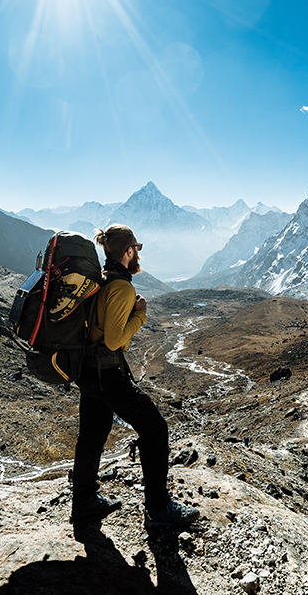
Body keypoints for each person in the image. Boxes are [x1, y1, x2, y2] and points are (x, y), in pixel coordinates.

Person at [70, 223, 199, 531]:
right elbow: (115, 341)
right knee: (155, 429)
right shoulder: (121, 287)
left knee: (92, 436)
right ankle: (158, 508)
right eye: (136, 249)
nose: (138, 254)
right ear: (128, 251)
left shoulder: (100, 281)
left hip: (87, 371)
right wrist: (139, 314)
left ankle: (84, 503)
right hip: (106, 374)